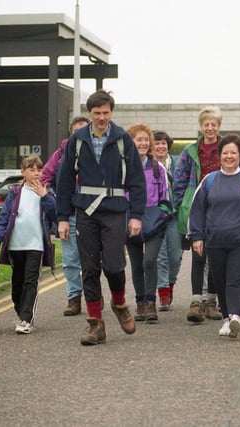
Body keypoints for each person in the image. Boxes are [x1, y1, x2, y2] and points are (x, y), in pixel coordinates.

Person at [56, 89, 146, 346]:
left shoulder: (122, 139)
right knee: (90, 268)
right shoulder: (77, 139)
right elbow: (64, 182)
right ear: (90, 113)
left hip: (115, 210)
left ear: (112, 112)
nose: (102, 118)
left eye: (106, 113)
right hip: (85, 210)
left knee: (114, 266)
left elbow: (138, 181)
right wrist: (62, 217)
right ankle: (95, 324)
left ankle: (119, 303)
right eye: (97, 113)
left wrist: (136, 216)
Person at [188, 134, 240, 338]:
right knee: (221, 280)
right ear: (220, 156)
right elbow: (197, 210)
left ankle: (235, 316)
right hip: (215, 241)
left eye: (233, 152)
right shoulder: (210, 180)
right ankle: (227, 319)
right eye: (225, 152)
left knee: (236, 278)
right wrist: (197, 237)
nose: (229, 156)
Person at [0, 154, 56, 334]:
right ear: (23, 172)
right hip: (16, 245)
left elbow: (55, 214)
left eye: (39, 169)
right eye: (32, 169)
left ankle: (26, 319)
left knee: (30, 281)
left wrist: (44, 196)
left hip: (36, 245)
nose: (36, 173)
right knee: (17, 284)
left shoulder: (47, 192)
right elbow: (4, 218)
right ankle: (22, 313)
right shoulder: (14, 192)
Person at [172, 106, 223, 322]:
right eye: (206, 125)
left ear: (219, 126)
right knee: (198, 253)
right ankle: (196, 302)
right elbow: (179, 179)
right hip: (197, 206)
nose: (210, 128)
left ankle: (211, 302)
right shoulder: (190, 151)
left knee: (214, 255)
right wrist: (181, 203)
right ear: (200, 127)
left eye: (214, 124)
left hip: (221, 207)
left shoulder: (227, 148)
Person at [41, 115, 89, 316]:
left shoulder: (98, 152)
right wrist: (54, 195)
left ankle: (94, 295)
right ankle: (74, 298)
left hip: (90, 213)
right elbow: (45, 177)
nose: (79, 133)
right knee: (70, 259)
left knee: (91, 259)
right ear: (71, 131)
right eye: (75, 129)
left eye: (83, 129)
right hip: (68, 213)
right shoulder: (61, 154)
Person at [126, 124, 169, 323]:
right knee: (136, 264)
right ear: (130, 142)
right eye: (139, 139)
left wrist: (162, 216)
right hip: (130, 221)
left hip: (154, 222)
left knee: (149, 261)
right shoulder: (122, 167)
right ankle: (141, 303)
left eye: (146, 139)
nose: (143, 143)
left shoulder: (157, 168)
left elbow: (165, 197)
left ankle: (151, 302)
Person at [153, 130, 182, 311]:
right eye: (156, 143)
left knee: (175, 256)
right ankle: (163, 292)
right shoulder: (148, 165)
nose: (160, 146)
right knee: (160, 256)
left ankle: (170, 284)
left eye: (163, 143)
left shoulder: (179, 163)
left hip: (175, 215)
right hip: (155, 216)